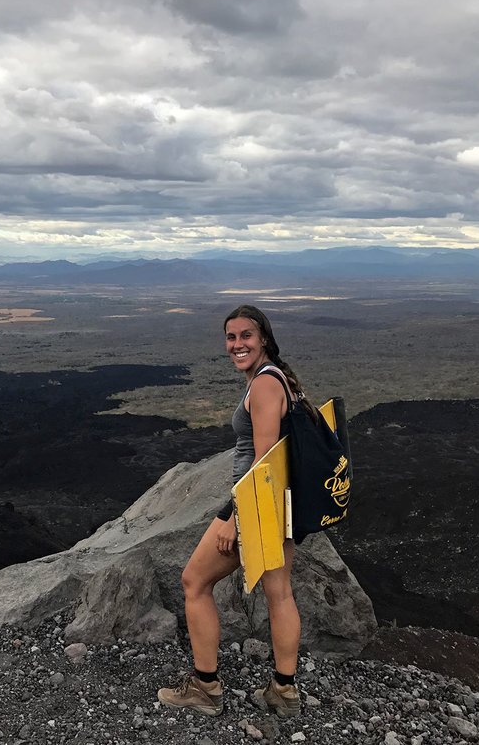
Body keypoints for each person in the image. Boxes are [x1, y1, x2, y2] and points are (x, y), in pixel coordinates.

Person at [158, 304, 316, 718]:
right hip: (281, 507)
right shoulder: (281, 378)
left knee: (193, 581)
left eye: (246, 335)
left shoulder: (264, 385)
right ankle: (285, 690)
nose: (237, 344)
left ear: (263, 337)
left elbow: (262, 463)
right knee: (279, 593)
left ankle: (205, 686)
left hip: (256, 507)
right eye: (231, 337)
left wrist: (233, 517)